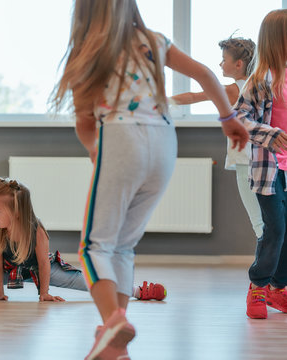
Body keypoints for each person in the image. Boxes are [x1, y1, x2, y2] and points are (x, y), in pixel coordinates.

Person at [51, 0, 249, 358]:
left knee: (94, 246)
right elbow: (205, 73)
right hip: (165, 142)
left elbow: (84, 122)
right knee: (124, 246)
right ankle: (115, 338)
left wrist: (97, 154)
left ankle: (112, 321)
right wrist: (228, 118)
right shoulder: (153, 40)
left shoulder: (88, 50)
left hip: (121, 138)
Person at [172, 37, 263, 240]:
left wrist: (165, 100)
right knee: (267, 218)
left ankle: (269, 267)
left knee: (258, 221)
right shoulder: (259, 87)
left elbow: (195, 96)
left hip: (245, 161)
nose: (220, 64)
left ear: (238, 64)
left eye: (223, 59)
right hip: (264, 159)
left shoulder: (233, 90)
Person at [233, 9, 287, 320]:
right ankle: (258, 286)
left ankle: (278, 289)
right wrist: (269, 134)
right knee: (275, 229)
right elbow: (240, 119)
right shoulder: (259, 80)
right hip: (268, 170)